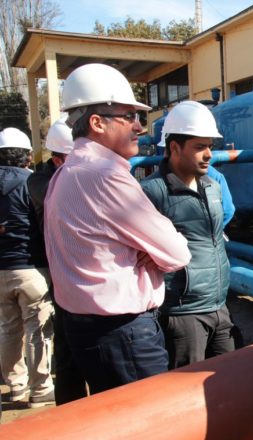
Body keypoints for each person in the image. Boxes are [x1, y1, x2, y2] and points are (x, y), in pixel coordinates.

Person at [44, 63, 191, 395]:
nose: (139, 127)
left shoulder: (67, 172)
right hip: (124, 334)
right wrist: (147, 252)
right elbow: (177, 251)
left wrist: (142, 251)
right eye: (129, 117)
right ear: (97, 123)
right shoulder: (103, 175)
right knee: (150, 430)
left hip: (88, 329)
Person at [141, 100, 253, 440]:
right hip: (183, 311)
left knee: (225, 386)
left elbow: (219, 231)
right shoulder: (152, 192)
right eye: (199, 146)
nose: (209, 154)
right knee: (185, 393)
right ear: (173, 147)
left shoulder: (212, 185)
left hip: (220, 303)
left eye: (211, 145)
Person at [26, 118, 88, 405]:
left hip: (83, 272)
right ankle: (72, 409)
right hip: (61, 272)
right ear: (57, 158)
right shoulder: (41, 183)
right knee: (67, 350)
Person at [0, 127, 55, 409]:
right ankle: (41, 388)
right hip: (31, 266)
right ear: (28, 156)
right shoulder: (31, 182)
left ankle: (16, 386)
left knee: (9, 330)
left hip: (1, 271)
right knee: (38, 330)